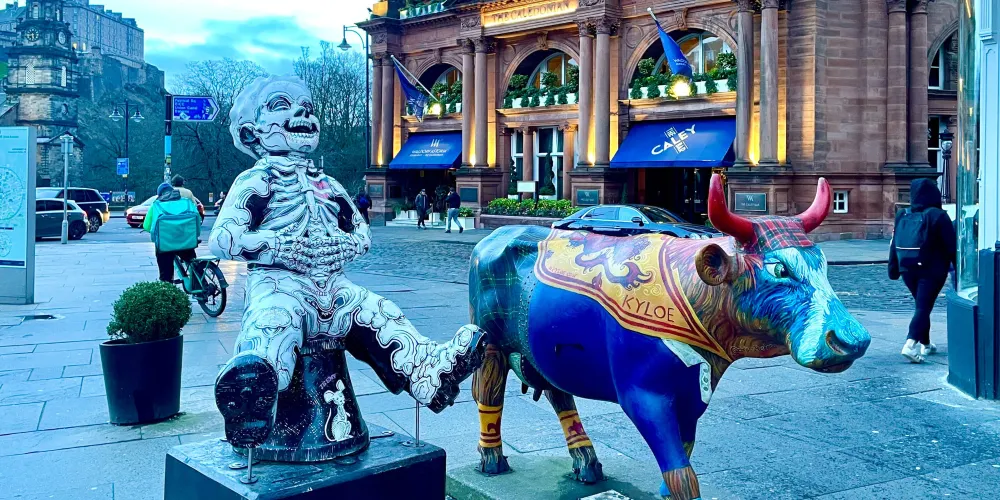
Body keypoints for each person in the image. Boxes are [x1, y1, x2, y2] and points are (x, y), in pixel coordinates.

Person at [889, 178, 956, 364]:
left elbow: (894, 243)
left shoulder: (902, 214)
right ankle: (910, 344)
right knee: (923, 307)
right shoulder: (938, 216)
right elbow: (952, 248)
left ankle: (926, 344)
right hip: (932, 270)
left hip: (907, 268)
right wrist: (960, 273)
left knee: (922, 305)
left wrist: (893, 268)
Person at [144, 182, 202, 283]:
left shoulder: (156, 205)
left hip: (165, 245)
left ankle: (167, 285)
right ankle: (201, 283)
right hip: (186, 241)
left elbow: (147, 226)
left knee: (165, 273)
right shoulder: (187, 202)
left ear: (159, 194)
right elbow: (197, 219)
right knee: (193, 263)